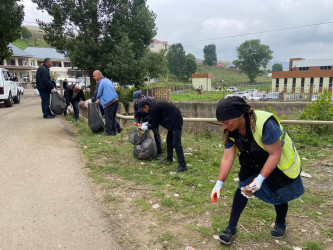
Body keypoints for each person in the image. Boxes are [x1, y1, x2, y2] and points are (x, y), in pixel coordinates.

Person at [211, 96, 304, 245]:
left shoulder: (265, 124)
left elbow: (275, 154)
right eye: (222, 123)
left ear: (240, 115)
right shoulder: (230, 130)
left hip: (275, 161)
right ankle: (231, 228)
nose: (224, 127)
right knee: (242, 188)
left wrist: (260, 179)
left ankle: (280, 223)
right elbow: (228, 158)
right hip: (251, 159)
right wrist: (219, 183)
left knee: (278, 192)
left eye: (226, 122)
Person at [138, 100, 187, 172]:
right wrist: (146, 123)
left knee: (176, 144)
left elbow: (155, 125)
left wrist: (146, 127)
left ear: (146, 106)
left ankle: (183, 165)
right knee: (169, 141)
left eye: (143, 109)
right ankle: (169, 158)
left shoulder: (154, 108)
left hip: (176, 121)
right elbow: (154, 119)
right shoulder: (153, 107)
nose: (144, 111)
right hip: (171, 121)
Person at [133, 90, 163, 160]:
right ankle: (142, 152)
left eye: (138, 100)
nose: (137, 102)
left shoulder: (150, 101)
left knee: (156, 135)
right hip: (143, 121)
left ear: (142, 97)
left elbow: (154, 113)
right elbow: (136, 115)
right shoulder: (136, 104)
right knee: (141, 136)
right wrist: (137, 122)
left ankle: (160, 153)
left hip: (153, 120)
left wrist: (148, 123)